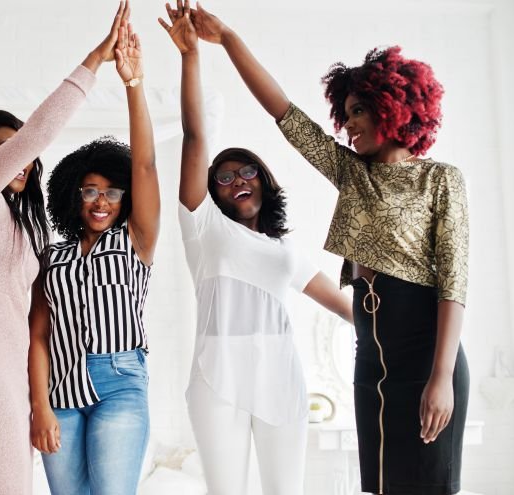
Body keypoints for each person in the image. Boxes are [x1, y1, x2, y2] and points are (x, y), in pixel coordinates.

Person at [187, 3, 470, 494]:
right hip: (370, 354)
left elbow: (454, 281)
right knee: (379, 486)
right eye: (347, 113)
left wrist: (442, 376)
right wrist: (227, 38)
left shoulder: (440, 179)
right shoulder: (351, 173)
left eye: (359, 111)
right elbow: (283, 112)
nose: (349, 124)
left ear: (393, 107)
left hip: (425, 348)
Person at [0, 3, 128, 493]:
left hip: (3, 368)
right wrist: (95, 61)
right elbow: (38, 135)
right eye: (5, 150)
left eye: (21, 153)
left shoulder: (18, 225)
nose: (22, 160)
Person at [158, 2, 353, 494]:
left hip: (280, 376)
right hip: (217, 377)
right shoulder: (203, 226)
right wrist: (191, 56)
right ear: (212, 192)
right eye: (224, 178)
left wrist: (413, 331)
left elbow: (345, 307)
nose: (237, 180)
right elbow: (195, 135)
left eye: (247, 172)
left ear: (264, 181)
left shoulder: (283, 249)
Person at [27, 7, 159, 494]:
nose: (101, 201)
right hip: (59, 390)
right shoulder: (52, 257)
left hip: (120, 381)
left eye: (111, 192)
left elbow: (144, 165)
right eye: (89, 191)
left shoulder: (135, 240)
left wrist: (133, 83)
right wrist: (39, 405)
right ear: (73, 197)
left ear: (125, 198)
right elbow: (38, 336)